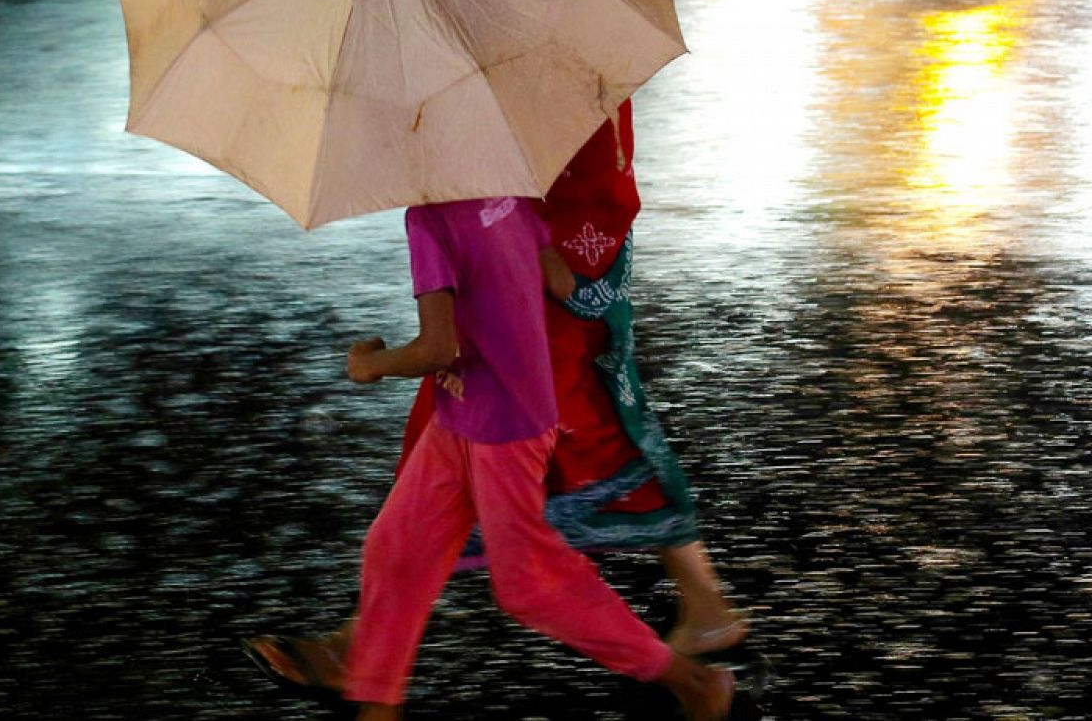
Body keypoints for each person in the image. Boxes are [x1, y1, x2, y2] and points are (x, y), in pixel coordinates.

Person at [248, 103, 745, 696]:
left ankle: (691, 665)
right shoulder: (536, 79)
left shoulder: (438, 213)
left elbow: (440, 344)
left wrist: (373, 364)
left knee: (525, 460)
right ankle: (703, 606)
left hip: (552, 214)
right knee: (562, 418)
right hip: (554, 218)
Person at [321, 186, 733, 720]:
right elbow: (560, 280)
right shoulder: (516, 198)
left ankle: (688, 680)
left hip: (500, 431)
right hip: (479, 413)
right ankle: (377, 707)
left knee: (528, 583)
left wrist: (369, 364)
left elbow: (437, 348)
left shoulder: (428, 220)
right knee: (395, 548)